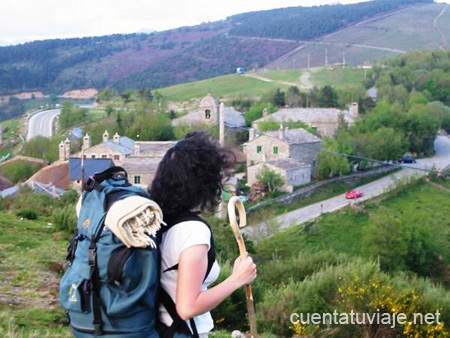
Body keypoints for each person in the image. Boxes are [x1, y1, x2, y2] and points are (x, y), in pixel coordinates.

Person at [149, 131, 257, 338]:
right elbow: (187, 308)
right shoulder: (193, 232)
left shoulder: (157, 219)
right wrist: (237, 278)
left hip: (159, 329)